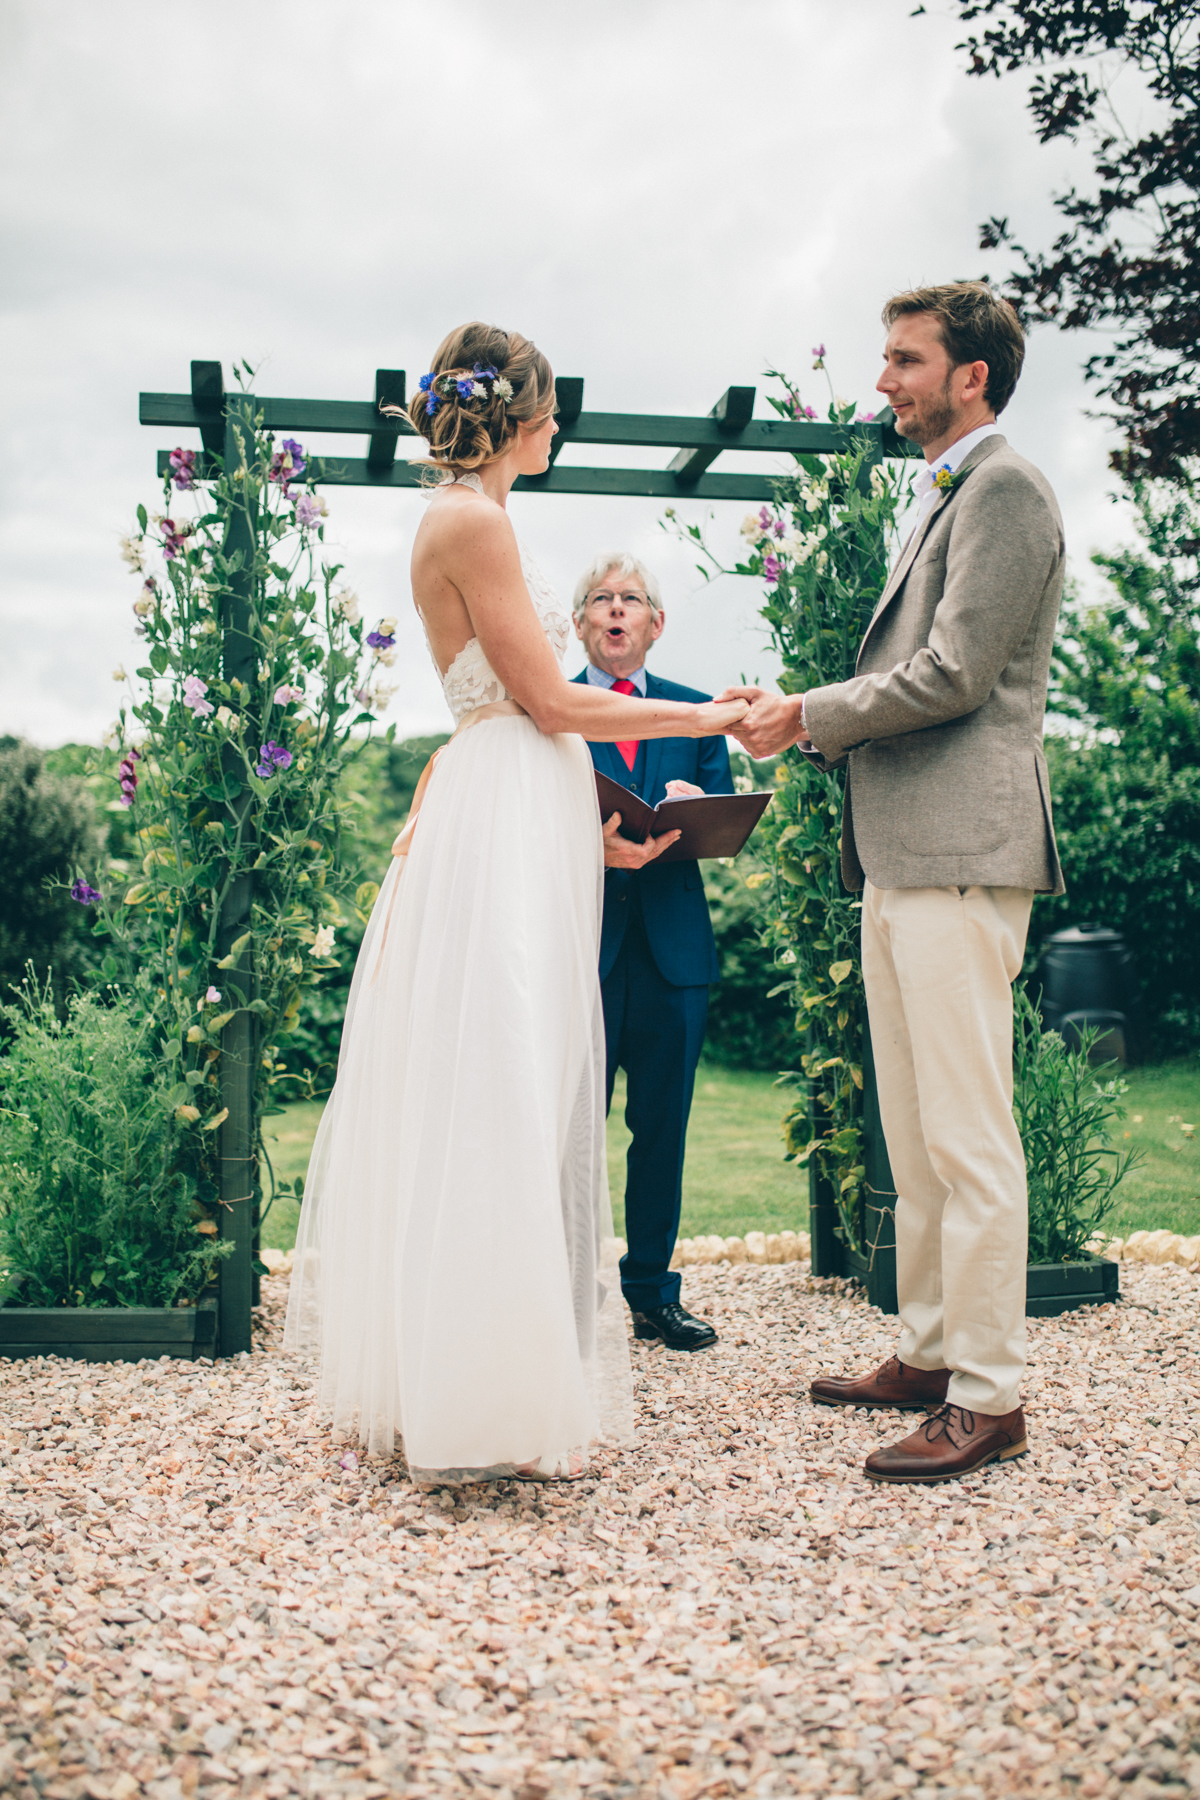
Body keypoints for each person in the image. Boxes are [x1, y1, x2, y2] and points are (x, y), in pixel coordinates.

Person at [283, 322, 745, 1487]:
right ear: (516, 416)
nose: (558, 430)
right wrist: (709, 719)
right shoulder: (472, 519)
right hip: (500, 811)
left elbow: (513, 713)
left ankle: (484, 1362)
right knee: (497, 1078)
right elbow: (544, 700)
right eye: (550, 413)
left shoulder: (480, 516)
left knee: (518, 1078)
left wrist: (581, 821)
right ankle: (479, 1395)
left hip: (519, 811)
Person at [720, 282, 1065, 1485]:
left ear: (971, 374)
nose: (885, 381)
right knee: (916, 1135)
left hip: (965, 859)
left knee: (969, 1137)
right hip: (907, 858)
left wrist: (806, 716)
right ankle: (928, 1354)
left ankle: (989, 1395)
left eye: (904, 360)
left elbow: (957, 673)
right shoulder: (948, 494)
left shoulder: (1008, 490)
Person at [571, 554, 733, 1352]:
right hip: (581, 953)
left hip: (674, 956)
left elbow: (719, 812)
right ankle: (565, 1295)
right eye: (600, 599)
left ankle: (652, 1295)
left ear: (655, 623)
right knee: (571, 1134)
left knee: (661, 1131)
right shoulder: (555, 712)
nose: (615, 610)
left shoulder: (696, 713)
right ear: (579, 623)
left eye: (630, 598)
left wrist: (695, 811)